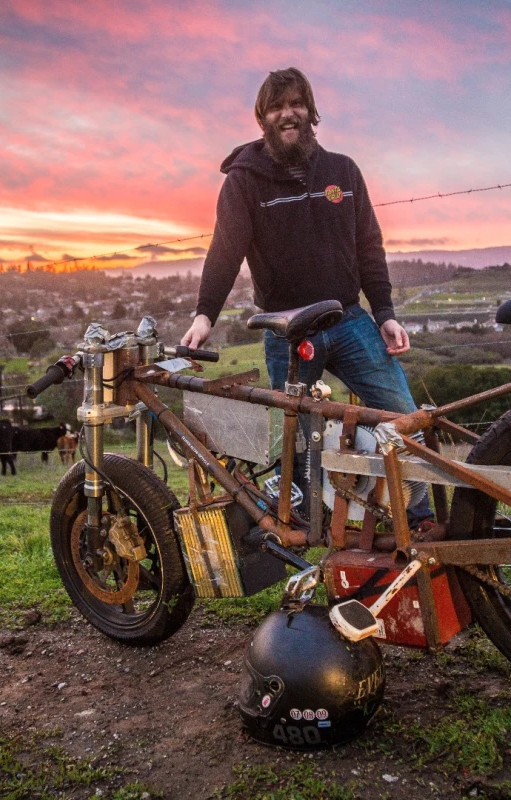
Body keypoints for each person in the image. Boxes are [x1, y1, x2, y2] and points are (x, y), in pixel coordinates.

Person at [180, 67, 433, 528]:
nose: (287, 113)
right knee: (295, 443)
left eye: (296, 103)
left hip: (349, 319)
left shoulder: (343, 170)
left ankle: (420, 522)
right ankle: (310, 531)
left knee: (402, 419)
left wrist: (386, 314)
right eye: (276, 107)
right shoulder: (244, 181)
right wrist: (204, 315)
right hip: (287, 329)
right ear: (263, 118)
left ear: (311, 111)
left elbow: (368, 246)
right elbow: (225, 250)